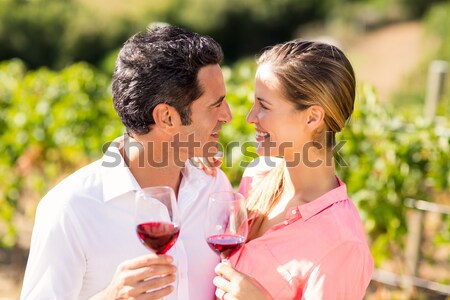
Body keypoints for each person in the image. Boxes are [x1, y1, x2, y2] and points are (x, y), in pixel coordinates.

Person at [20, 24, 233, 300]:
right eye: (215, 105)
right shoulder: (70, 208)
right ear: (167, 118)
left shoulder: (215, 188)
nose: (227, 115)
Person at [211, 40, 374, 299]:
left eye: (264, 105)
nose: (251, 117)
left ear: (312, 117)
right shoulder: (258, 175)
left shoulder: (342, 243)